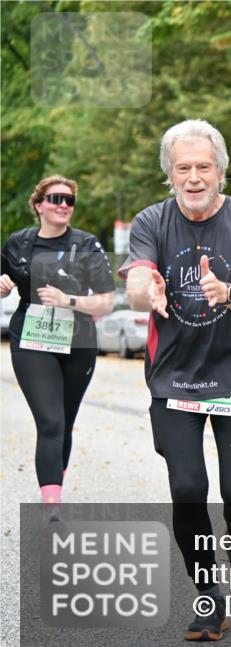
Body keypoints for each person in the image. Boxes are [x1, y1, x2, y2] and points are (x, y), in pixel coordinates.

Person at [119, 119, 231, 641]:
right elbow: (138, 281)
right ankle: (208, 595)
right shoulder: (151, 221)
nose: (193, 177)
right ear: (170, 173)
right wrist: (149, 291)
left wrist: (224, 291)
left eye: (203, 166)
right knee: (187, 489)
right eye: (182, 167)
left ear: (221, 171)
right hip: (174, 380)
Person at [1, 175, 114, 520]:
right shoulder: (18, 244)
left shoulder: (87, 244)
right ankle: (53, 507)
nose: (63, 205)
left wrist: (70, 300)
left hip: (78, 341)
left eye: (69, 200)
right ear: (39, 205)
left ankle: (53, 486)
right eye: (55, 198)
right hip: (32, 339)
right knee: (50, 422)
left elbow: (107, 303)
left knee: (63, 422)